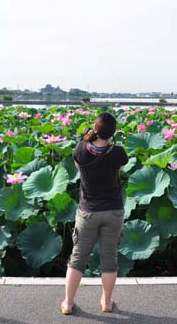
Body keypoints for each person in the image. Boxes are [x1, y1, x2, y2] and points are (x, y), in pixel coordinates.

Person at [61, 112, 128, 315]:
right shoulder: (117, 152)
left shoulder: (81, 149)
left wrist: (89, 137)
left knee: (78, 258)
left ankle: (68, 303)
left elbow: (78, 166)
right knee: (109, 259)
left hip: (88, 211)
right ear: (113, 133)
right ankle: (106, 303)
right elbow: (122, 166)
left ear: (94, 128)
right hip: (113, 211)